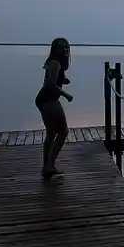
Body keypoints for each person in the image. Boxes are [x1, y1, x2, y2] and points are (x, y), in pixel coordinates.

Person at [35, 37, 73, 179]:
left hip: (43, 99)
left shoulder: (54, 63)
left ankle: (47, 166)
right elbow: (50, 84)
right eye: (62, 47)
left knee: (51, 133)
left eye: (67, 47)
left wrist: (63, 80)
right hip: (49, 99)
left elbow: (52, 78)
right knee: (63, 132)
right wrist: (66, 94)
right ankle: (49, 165)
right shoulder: (56, 63)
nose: (66, 50)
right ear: (55, 50)